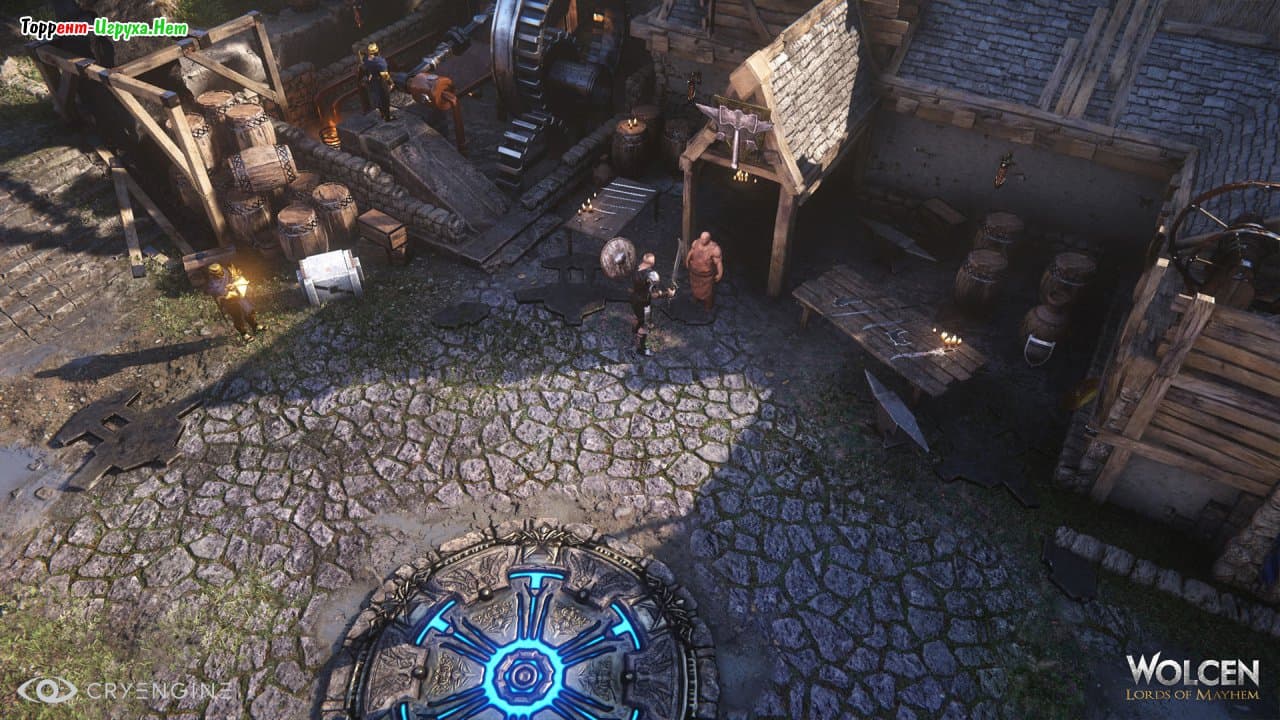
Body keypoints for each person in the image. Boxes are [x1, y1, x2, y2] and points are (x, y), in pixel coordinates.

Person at [630, 252, 675, 356]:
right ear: (652, 263)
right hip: (644, 303)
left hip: (634, 299)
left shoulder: (636, 268)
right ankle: (641, 349)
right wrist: (667, 294)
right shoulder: (651, 275)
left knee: (637, 316)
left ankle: (634, 331)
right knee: (645, 325)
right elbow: (654, 295)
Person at [206, 263, 264, 340]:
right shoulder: (212, 284)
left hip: (239, 296)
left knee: (249, 310)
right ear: (213, 275)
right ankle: (244, 334)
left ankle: (255, 326)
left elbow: (232, 277)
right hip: (229, 302)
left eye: (221, 271)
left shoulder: (225, 272)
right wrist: (227, 289)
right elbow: (218, 292)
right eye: (218, 273)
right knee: (238, 317)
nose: (221, 274)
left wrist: (235, 282)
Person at [685, 231, 724, 310]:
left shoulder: (714, 249)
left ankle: (708, 305)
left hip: (706, 277)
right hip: (694, 274)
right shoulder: (696, 243)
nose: (702, 240)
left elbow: (718, 263)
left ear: (708, 239)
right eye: (701, 238)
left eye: (704, 239)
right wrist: (687, 260)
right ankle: (695, 298)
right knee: (695, 288)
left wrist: (720, 274)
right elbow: (691, 252)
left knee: (707, 293)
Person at [359, 43, 394, 121]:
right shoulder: (380, 62)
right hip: (381, 81)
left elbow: (361, 56)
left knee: (377, 97)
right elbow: (385, 75)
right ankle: (387, 117)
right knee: (385, 99)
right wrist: (391, 82)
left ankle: (382, 114)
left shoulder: (366, 59)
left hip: (372, 80)